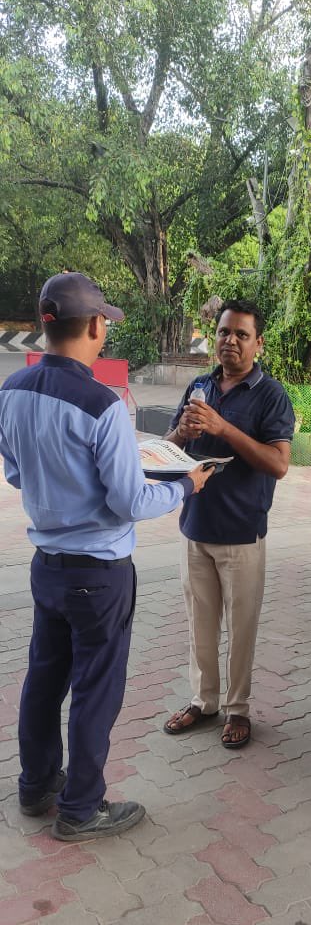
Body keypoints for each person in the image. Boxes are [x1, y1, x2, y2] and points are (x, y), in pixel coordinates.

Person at [0, 271, 212, 840]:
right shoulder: (102, 404)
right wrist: (186, 484)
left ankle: (36, 785)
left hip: (46, 566)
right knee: (96, 687)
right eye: (105, 324)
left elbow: (18, 472)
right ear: (95, 325)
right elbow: (129, 499)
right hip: (99, 572)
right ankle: (81, 808)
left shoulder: (10, 393)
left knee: (44, 680)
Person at [163, 298, 295, 748]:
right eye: (223, 332)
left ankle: (238, 710)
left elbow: (279, 464)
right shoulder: (200, 385)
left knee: (241, 629)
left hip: (242, 532)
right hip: (195, 526)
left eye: (241, 334)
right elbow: (171, 448)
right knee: (199, 623)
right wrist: (182, 433)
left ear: (258, 343)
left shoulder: (271, 394)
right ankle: (204, 701)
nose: (230, 341)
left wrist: (224, 430)